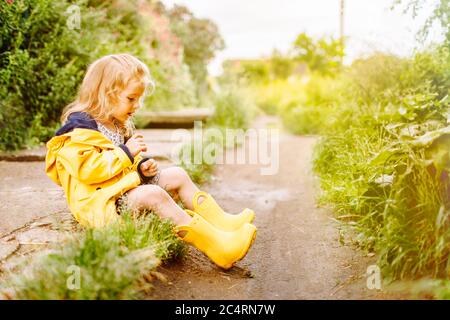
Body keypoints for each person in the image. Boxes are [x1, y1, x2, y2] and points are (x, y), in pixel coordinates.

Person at [45, 53, 256, 270]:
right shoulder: (79, 131)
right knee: (153, 194)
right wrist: (126, 153)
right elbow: (88, 171)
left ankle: (223, 224)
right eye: (131, 98)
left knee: (178, 174)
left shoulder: (117, 123)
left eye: (139, 99)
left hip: (121, 191)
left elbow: (125, 164)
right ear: (106, 95)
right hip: (102, 205)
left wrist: (141, 167)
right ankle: (219, 247)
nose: (136, 105)